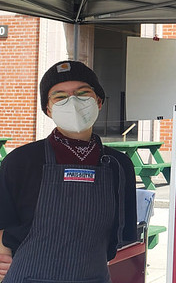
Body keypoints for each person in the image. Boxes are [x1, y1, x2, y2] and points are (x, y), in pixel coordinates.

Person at [0, 61, 138, 283]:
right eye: (60, 97)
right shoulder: (20, 161)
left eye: (82, 93)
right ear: (48, 109)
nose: (72, 102)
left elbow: (121, 236)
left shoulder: (118, 165)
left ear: (99, 102)